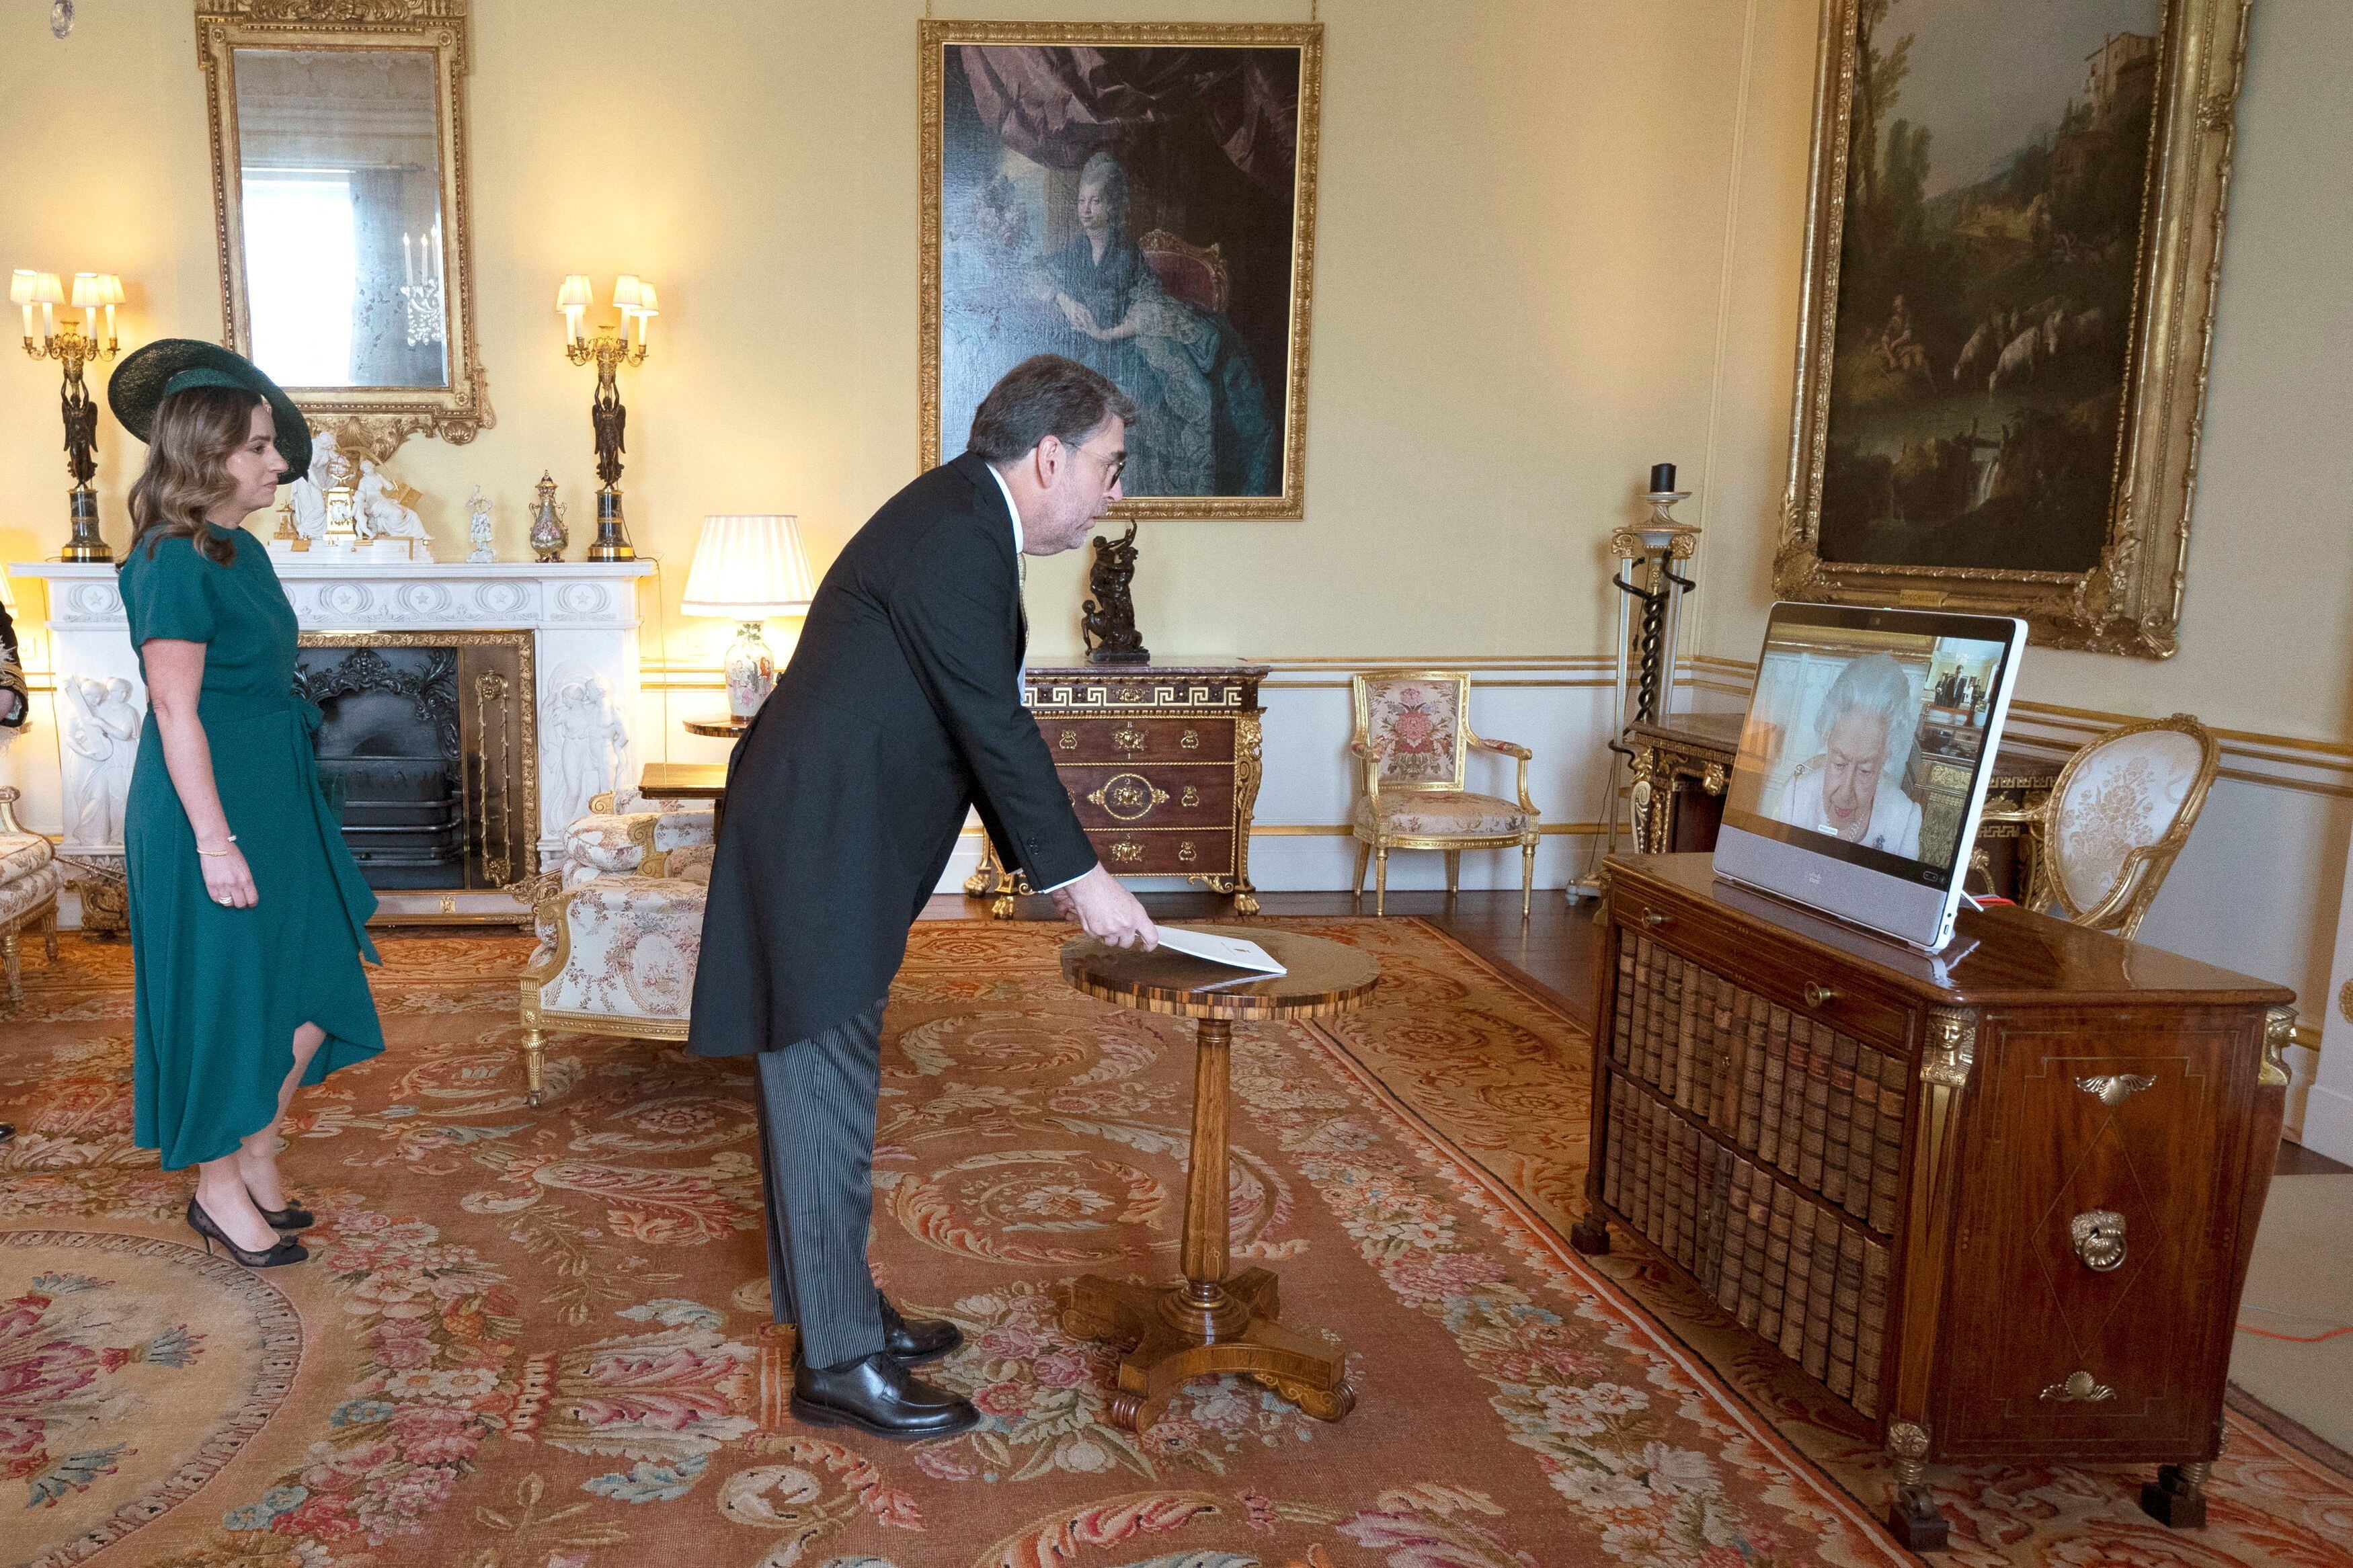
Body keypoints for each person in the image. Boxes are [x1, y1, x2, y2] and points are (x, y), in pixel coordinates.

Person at [690, 353, 1160, 1440]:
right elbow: (992, 724)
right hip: (818, 842)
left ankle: (838, 1306)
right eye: (1110, 467)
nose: (1115, 494)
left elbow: (963, 716)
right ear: (1051, 457)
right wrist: (1082, 880)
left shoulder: (964, 520)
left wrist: (1056, 870)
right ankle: (838, 1361)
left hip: (831, 834)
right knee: (821, 1087)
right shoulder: (959, 531)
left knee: (831, 1084)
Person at [106, 339, 386, 1269]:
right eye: (262, 447)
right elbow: (177, 708)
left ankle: (257, 1146)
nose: (281, 463)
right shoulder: (167, 561)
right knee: (226, 996)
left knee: (318, 976)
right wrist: (214, 842)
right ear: (206, 452)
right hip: (206, 807)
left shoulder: (244, 552)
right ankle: (218, 1186)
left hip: (276, 789)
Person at [1031, 150, 1277, 497]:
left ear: (1112, 208)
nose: (1086, 210)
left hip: (1124, 349)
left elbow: (1148, 307)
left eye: (1096, 202)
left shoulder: (1127, 253)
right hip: (1080, 351)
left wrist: (1107, 333)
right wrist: (1065, 301)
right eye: (1082, 201)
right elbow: (1037, 274)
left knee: (1157, 401)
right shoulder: (1073, 253)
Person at [1775, 652, 1925, 860]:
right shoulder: (1796, 797)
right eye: (1839, 764)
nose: (1845, 794)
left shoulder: (1903, 821)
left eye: (1865, 771)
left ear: (1886, 757)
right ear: (1828, 740)